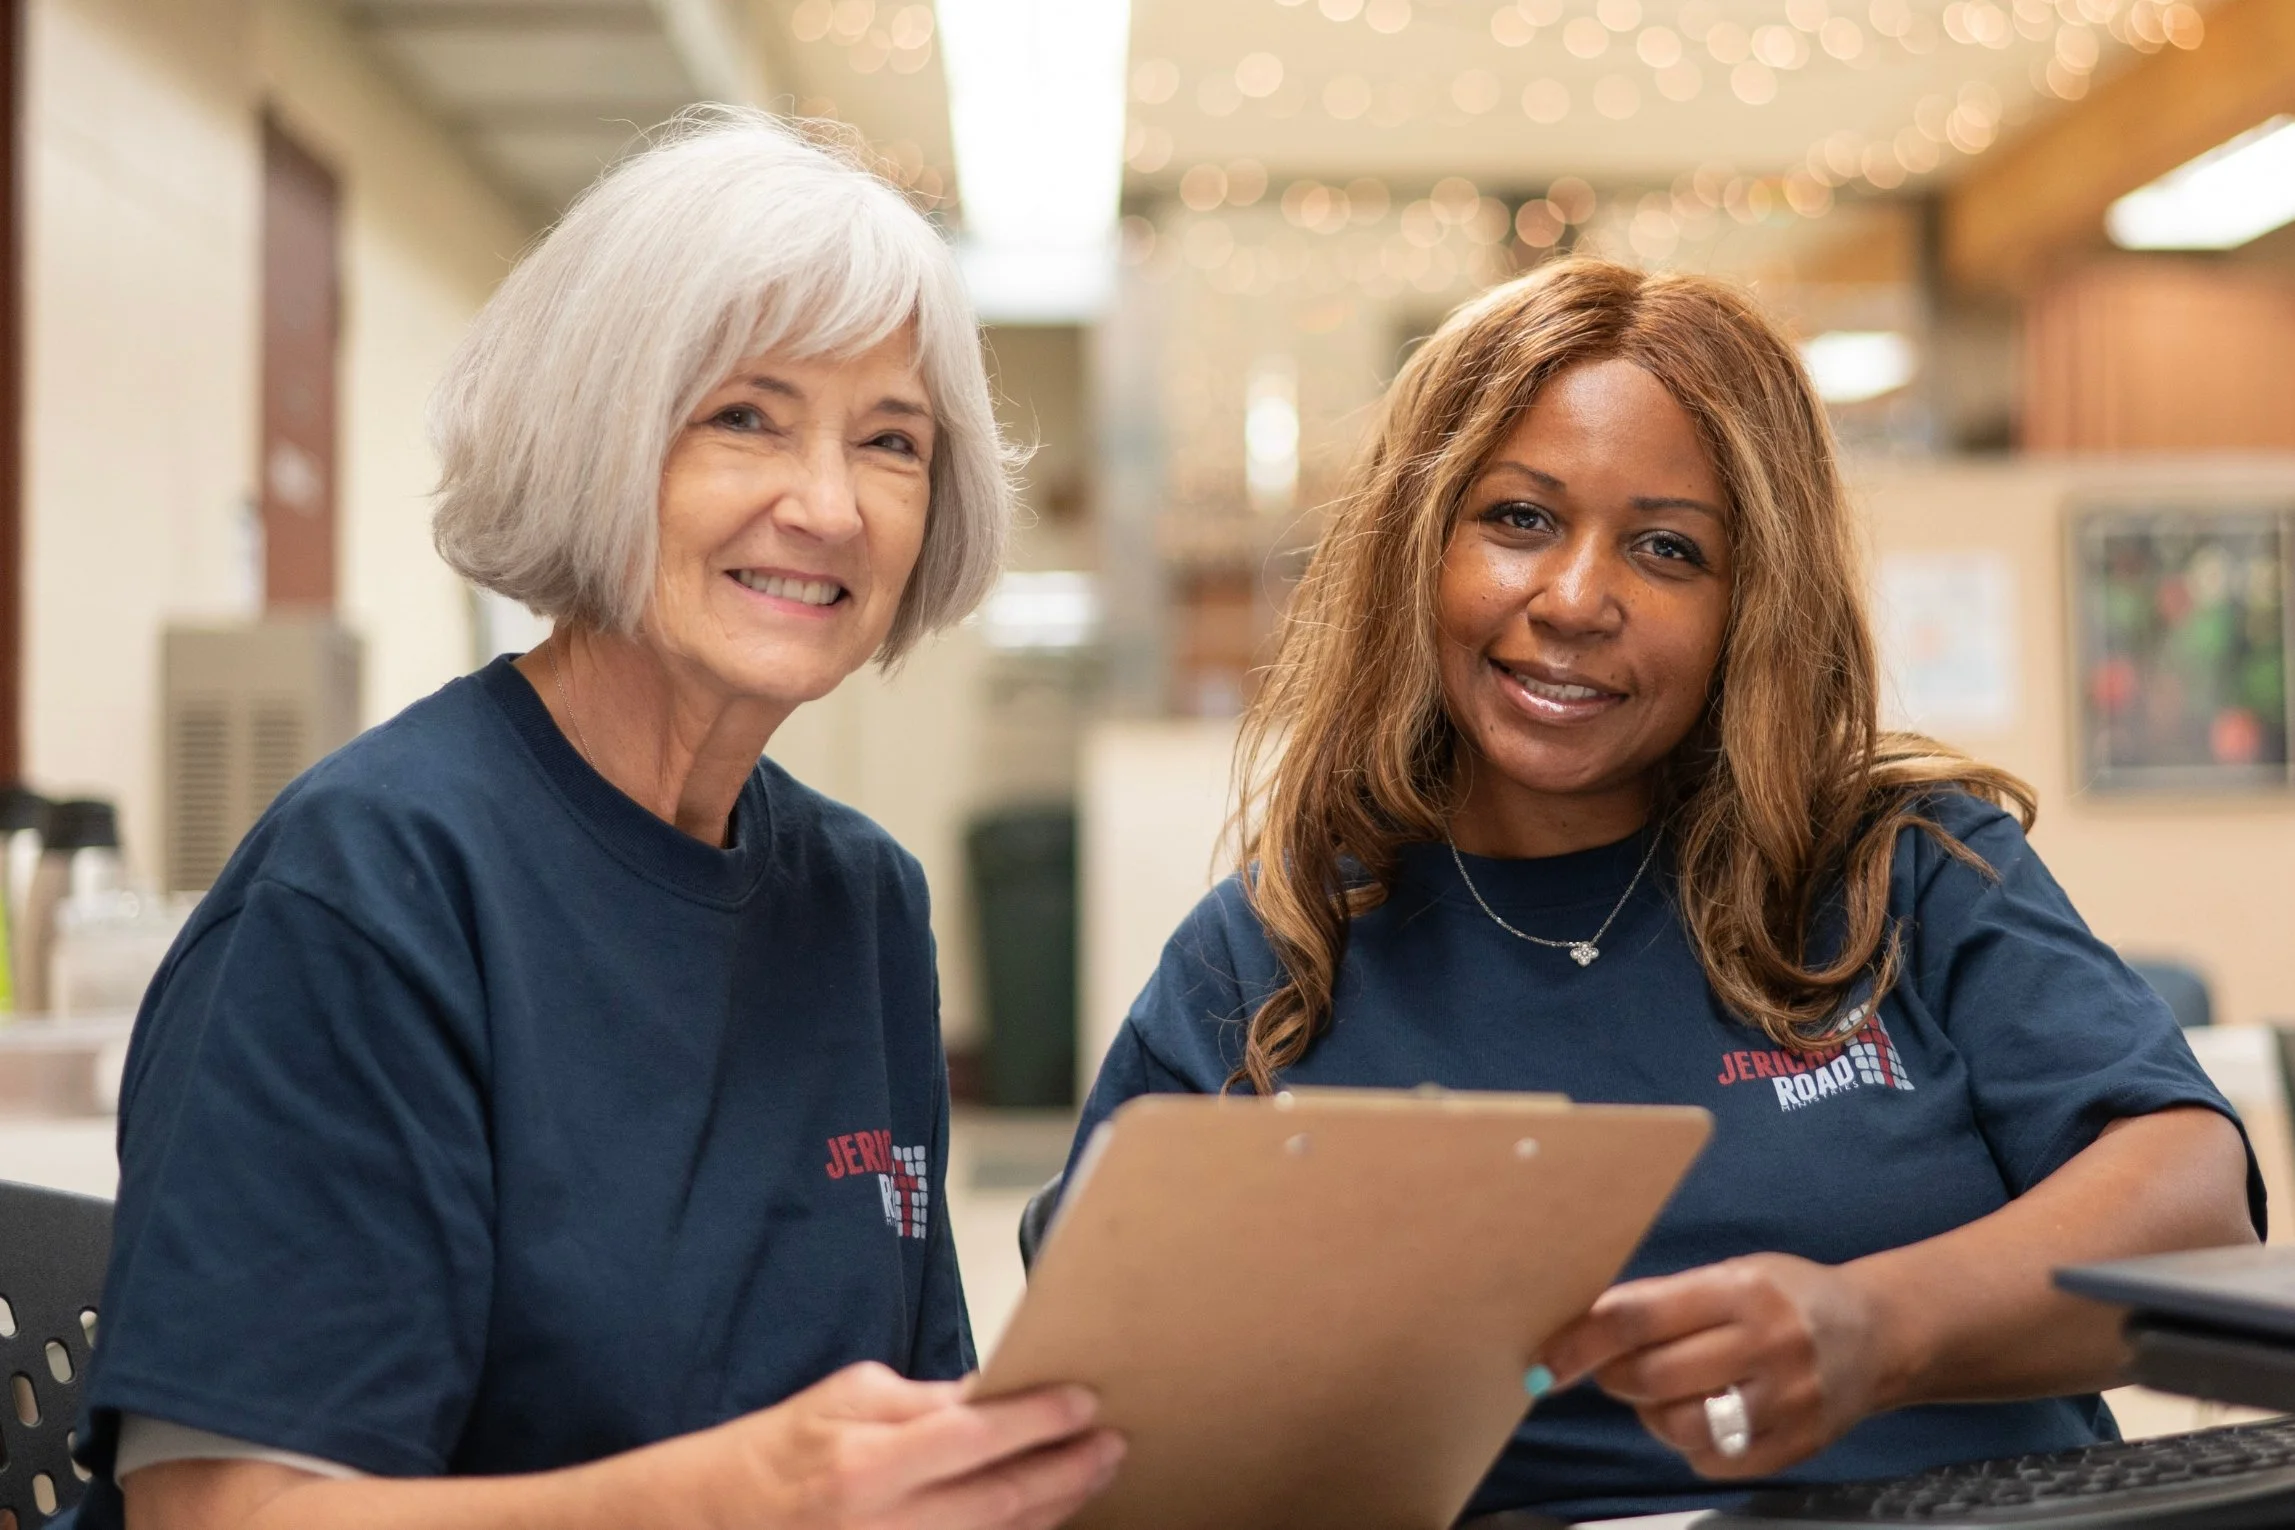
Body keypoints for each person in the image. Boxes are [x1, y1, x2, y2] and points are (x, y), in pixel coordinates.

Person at [1062, 258, 2262, 1524]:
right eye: (1520, 518)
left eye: (1668, 549)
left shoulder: (1903, 871)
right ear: (1419, 545)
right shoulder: (1275, 953)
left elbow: (2191, 1195)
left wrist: (1876, 1328)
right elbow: (1102, 1380)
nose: (1576, 601)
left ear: (1753, 603)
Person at [67, 111, 1123, 1530]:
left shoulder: (863, 902)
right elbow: (229, 1515)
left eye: (890, 442)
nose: (825, 505)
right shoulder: (372, 884)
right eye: (743, 415)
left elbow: (917, 1423)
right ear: (598, 438)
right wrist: (736, 1499)